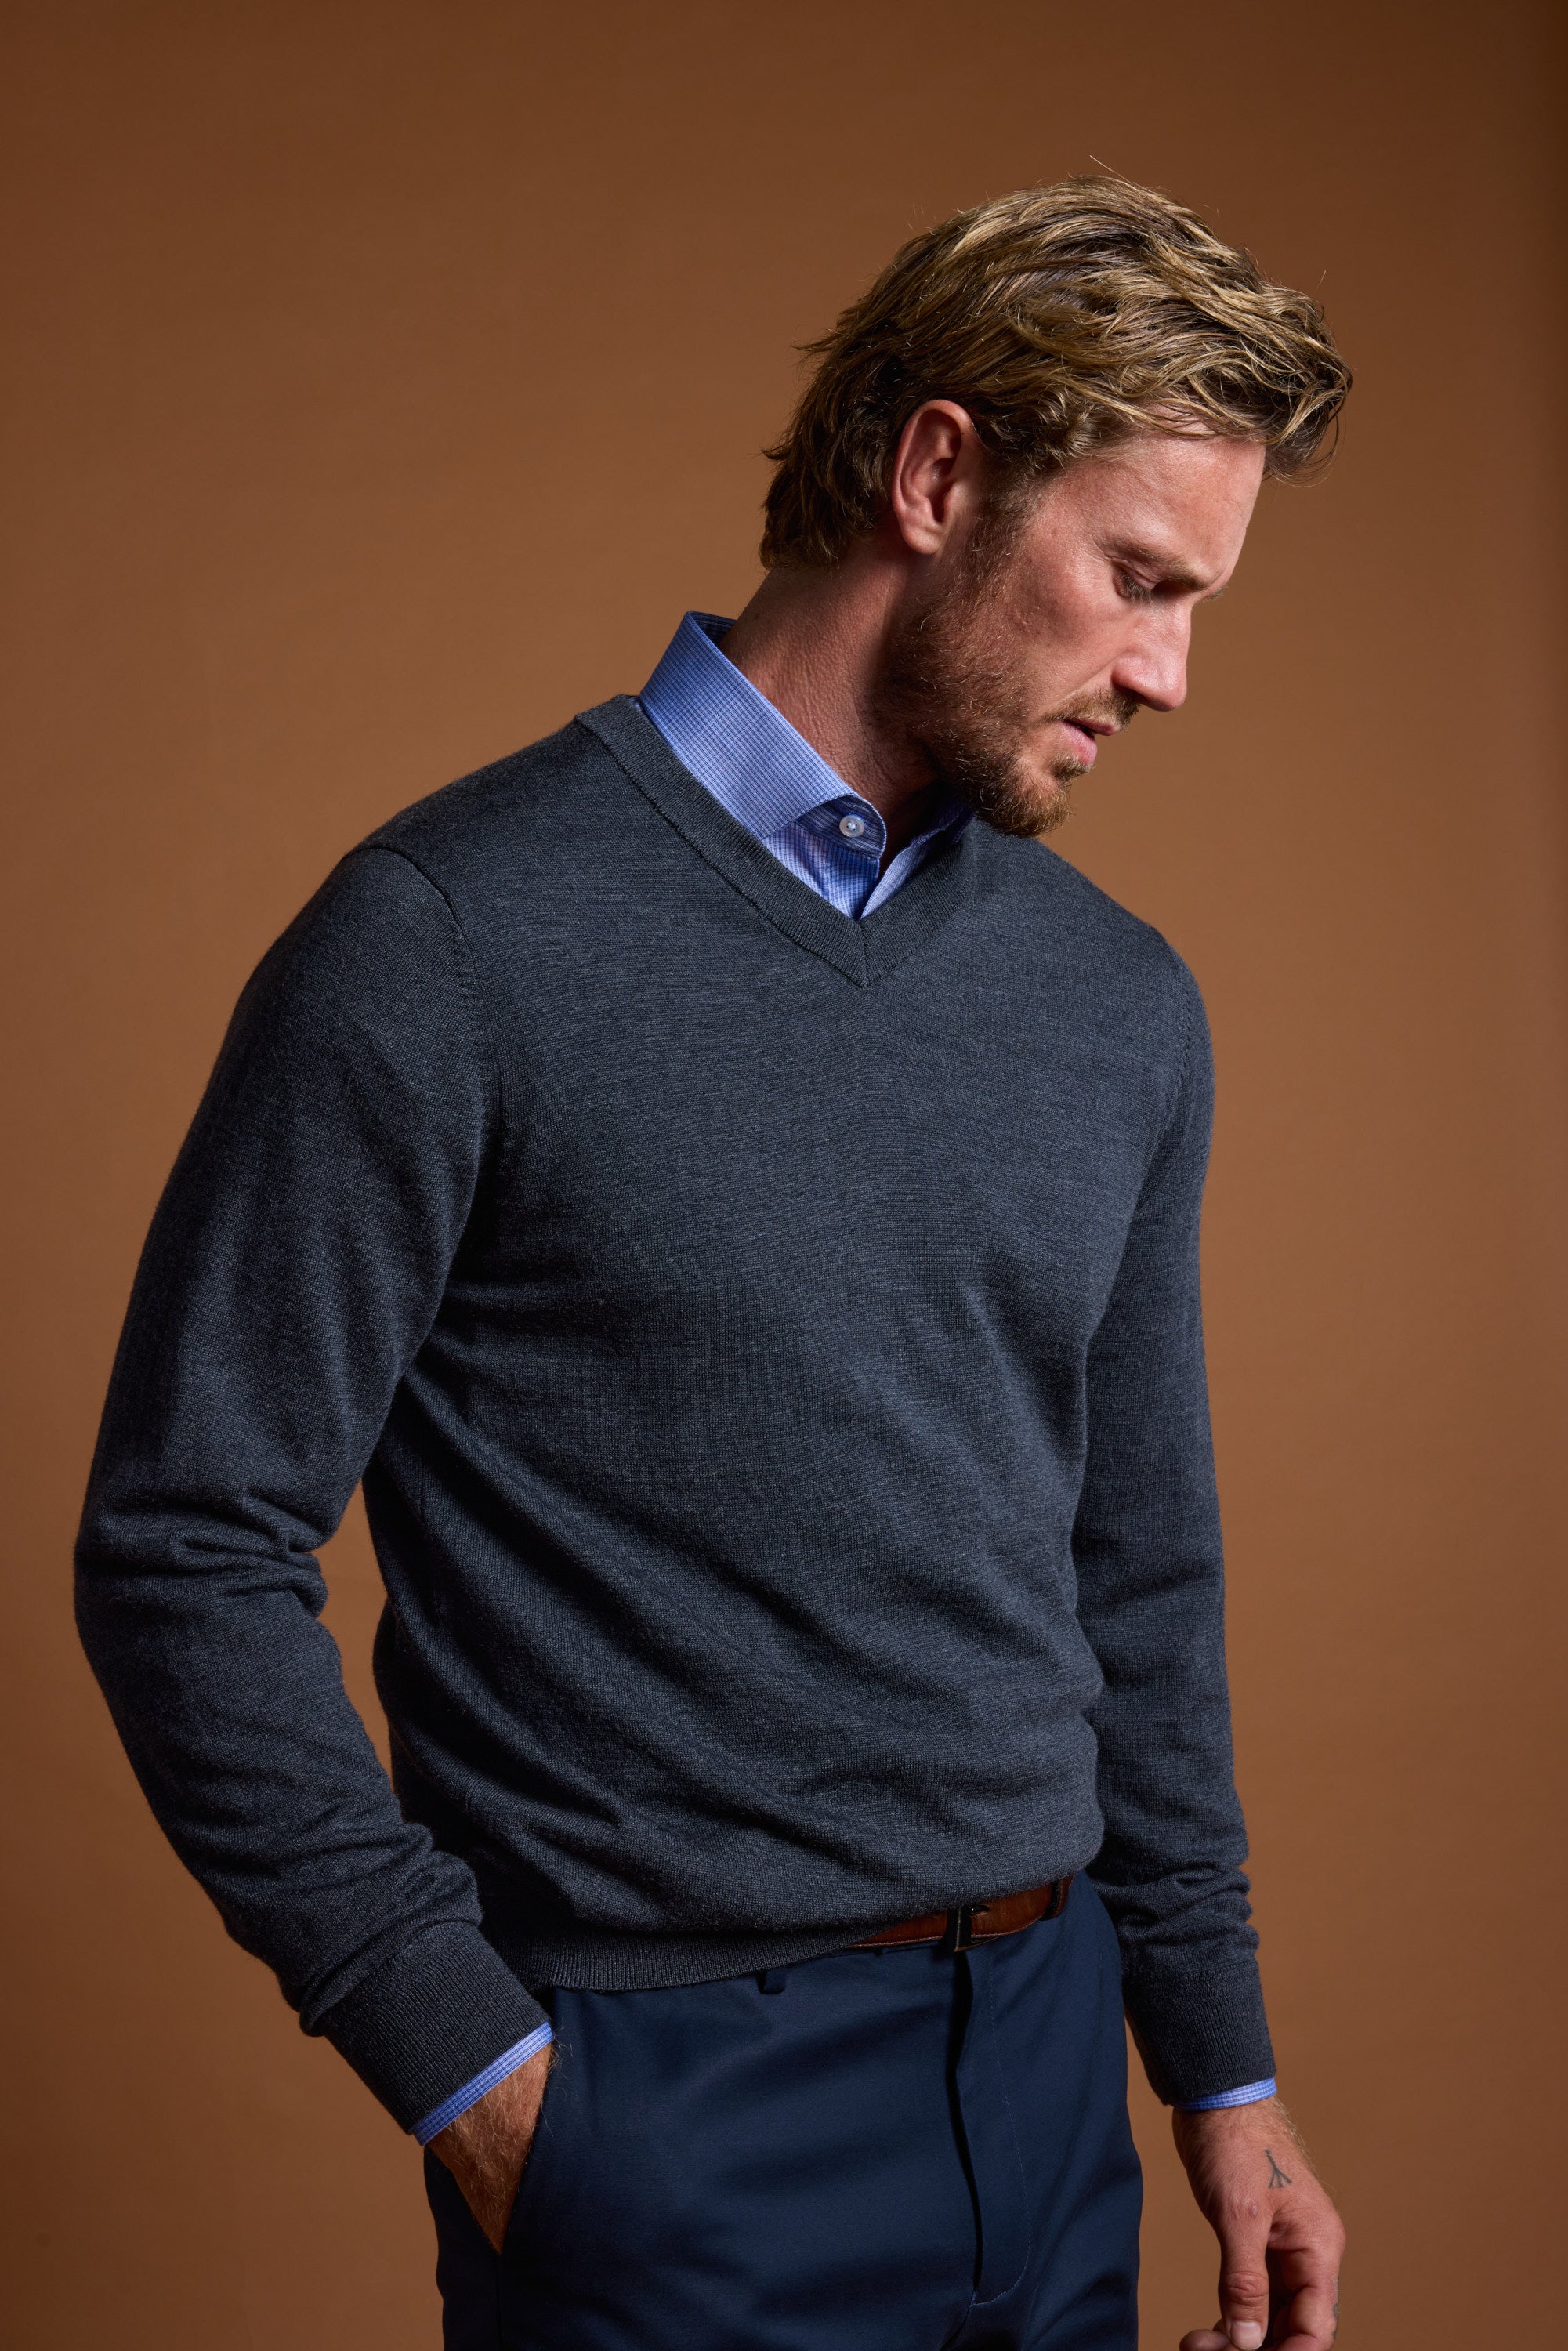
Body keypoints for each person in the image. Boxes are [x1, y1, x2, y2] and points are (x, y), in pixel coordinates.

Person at [77, 175, 1351, 2350]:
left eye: (1195, 601)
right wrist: (485, 2089)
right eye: (1136, 580)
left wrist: (1212, 2068)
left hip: (1046, 2083)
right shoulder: (447, 942)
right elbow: (184, 1544)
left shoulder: (1118, 1004)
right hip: (665, 2100)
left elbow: (1134, 1568)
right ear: (937, 475)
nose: (1166, 671)